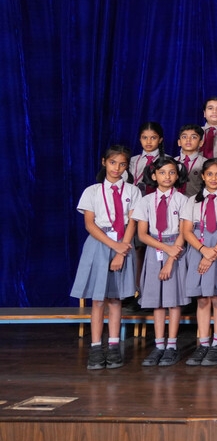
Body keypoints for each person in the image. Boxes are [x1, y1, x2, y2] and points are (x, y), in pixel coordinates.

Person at [70, 145, 140, 370]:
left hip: (124, 244)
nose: (117, 168)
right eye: (112, 162)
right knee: (98, 300)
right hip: (100, 243)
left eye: (122, 164)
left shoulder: (133, 191)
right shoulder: (92, 191)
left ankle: (113, 346)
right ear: (104, 162)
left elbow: (132, 223)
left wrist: (121, 251)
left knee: (116, 299)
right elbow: (90, 225)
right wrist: (114, 246)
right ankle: (95, 347)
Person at [180, 158, 217, 366]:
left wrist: (213, 252)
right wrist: (203, 251)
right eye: (210, 174)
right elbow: (187, 230)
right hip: (199, 248)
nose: (214, 178)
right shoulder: (192, 201)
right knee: (203, 298)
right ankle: (203, 343)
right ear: (203, 176)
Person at [134, 156, 189, 367]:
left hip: (176, 250)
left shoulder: (183, 200)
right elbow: (142, 234)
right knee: (157, 301)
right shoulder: (145, 201)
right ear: (154, 175)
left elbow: (184, 232)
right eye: (162, 172)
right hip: (155, 249)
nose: (167, 176)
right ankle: (158, 345)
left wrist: (170, 260)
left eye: (172, 172)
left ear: (177, 175)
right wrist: (166, 249)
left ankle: (171, 345)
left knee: (172, 301)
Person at [130, 122, 164, 195]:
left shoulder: (167, 160)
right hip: (133, 196)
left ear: (160, 140)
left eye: (153, 138)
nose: (148, 141)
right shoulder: (132, 160)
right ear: (140, 139)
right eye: (145, 137)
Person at [176, 124, 206, 196]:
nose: (188, 140)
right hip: (173, 201)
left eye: (193, 137)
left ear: (201, 143)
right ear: (179, 142)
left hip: (195, 200)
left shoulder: (205, 163)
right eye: (184, 137)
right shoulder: (172, 162)